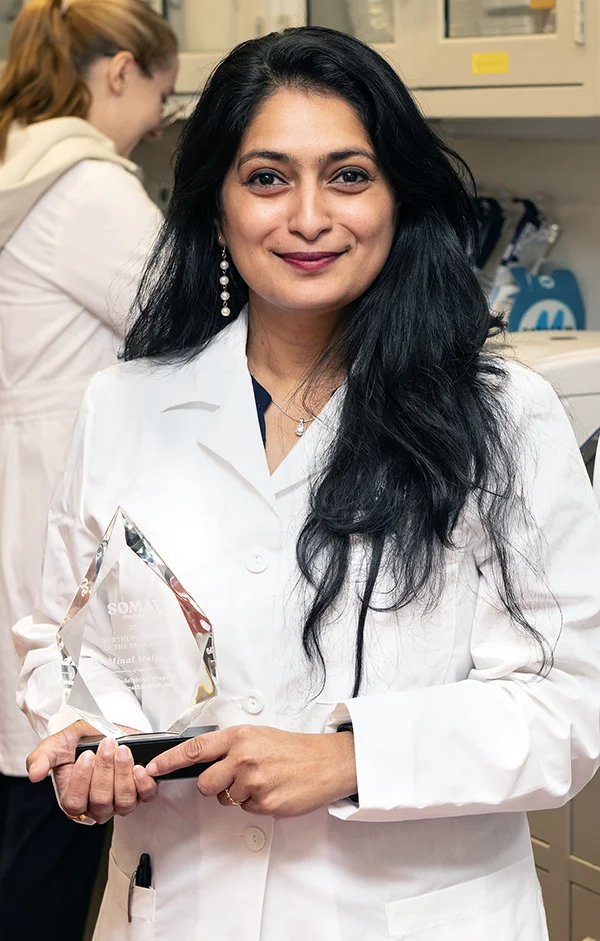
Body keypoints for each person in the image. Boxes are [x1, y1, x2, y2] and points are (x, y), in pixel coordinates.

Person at [14, 26, 600, 941]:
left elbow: (571, 704)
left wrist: (352, 757)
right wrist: (86, 748)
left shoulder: (502, 414)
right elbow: (58, 643)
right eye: (268, 177)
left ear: (399, 197)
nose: (310, 216)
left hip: (411, 914)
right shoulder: (124, 403)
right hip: (182, 905)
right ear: (215, 203)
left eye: (349, 175)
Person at [0, 1, 177, 937]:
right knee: (54, 806)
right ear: (117, 72)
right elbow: (187, 324)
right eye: (161, 93)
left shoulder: (13, 158)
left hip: (16, 498)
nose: (157, 119)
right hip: (51, 522)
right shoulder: (87, 188)